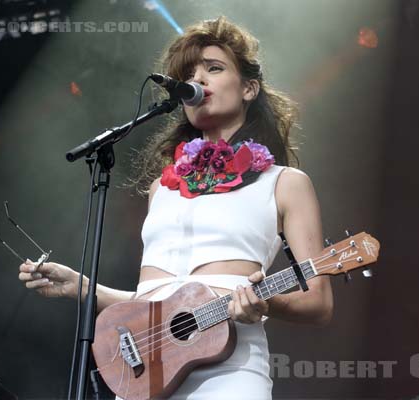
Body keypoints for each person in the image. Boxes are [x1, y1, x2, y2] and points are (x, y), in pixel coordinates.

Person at [18, 16, 333, 400]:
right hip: (147, 373)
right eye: (189, 74)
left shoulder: (284, 183)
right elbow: (157, 306)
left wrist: (266, 301)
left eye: (213, 69)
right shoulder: (161, 189)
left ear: (249, 87)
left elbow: (318, 301)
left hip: (230, 375)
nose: (197, 81)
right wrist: (83, 288)